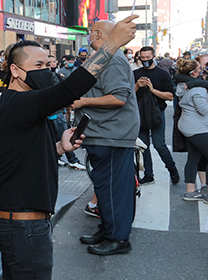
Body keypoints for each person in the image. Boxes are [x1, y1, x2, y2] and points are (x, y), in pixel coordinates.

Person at [0, 15, 137, 280]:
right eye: (38, 64)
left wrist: (60, 146)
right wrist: (112, 43)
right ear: (15, 70)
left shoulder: (18, 107)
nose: (47, 69)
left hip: (12, 218)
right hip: (24, 223)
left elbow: (22, 157)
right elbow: (72, 87)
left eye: (49, 62)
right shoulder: (22, 102)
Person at [72, 20, 140, 255]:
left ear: (98, 34)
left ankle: (118, 238)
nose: (88, 36)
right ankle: (108, 228)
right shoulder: (104, 56)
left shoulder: (111, 59)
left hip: (112, 135)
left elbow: (119, 97)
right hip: (104, 134)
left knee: (114, 189)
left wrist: (82, 101)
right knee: (105, 188)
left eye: (90, 33)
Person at [134, 46, 180, 185]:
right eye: (143, 58)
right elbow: (128, 94)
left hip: (157, 112)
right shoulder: (135, 74)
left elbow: (170, 96)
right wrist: (137, 85)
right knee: (144, 146)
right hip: (140, 113)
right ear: (139, 58)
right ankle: (148, 174)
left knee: (159, 144)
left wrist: (152, 90)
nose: (146, 60)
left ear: (153, 56)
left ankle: (171, 168)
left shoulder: (162, 74)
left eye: (148, 57)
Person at [174, 59, 208, 202]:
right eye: (199, 68)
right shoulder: (198, 89)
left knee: (194, 158)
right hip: (197, 128)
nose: (201, 70)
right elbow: (203, 110)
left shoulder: (182, 85)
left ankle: (191, 191)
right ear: (193, 72)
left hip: (187, 126)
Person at [47, 58, 84, 170]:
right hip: (55, 113)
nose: (52, 65)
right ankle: (72, 160)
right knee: (63, 135)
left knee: (58, 137)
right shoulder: (51, 76)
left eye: (53, 62)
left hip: (57, 112)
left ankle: (59, 157)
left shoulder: (56, 74)